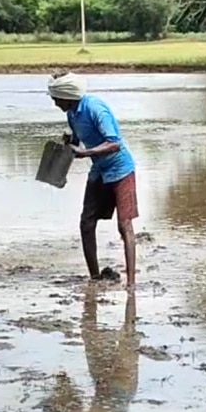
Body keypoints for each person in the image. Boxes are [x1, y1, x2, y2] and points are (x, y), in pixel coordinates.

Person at [48, 72, 138, 289]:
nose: (55, 103)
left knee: (124, 226)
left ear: (68, 97)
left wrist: (86, 153)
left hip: (120, 169)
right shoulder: (72, 113)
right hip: (99, 170)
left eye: (57, 99)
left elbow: (114, 143)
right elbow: (75, 142)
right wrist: (60, 168)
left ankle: (131, 284)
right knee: (86, 223)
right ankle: (95, 277)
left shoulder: (96, 109)